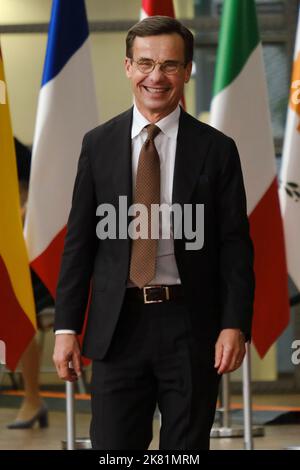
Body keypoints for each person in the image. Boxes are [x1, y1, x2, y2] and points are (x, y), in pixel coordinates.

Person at [53, 16, 255, 450]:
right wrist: (66, 327)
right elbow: (79, 244)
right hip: (116, 327)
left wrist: (234, 323)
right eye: (145, 64)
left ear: (186, 71)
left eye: (169, 65)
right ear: (128, 66)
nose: (156, 77)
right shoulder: (98, 144)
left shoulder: (217, 150)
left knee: (184, 452)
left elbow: (235, 246)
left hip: (190, 324)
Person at [7, 138, 52, 429]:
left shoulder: (12, 148)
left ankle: (33, 398)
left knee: (17, 311)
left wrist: (18, 217)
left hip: (31, 258)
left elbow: (32, 197)